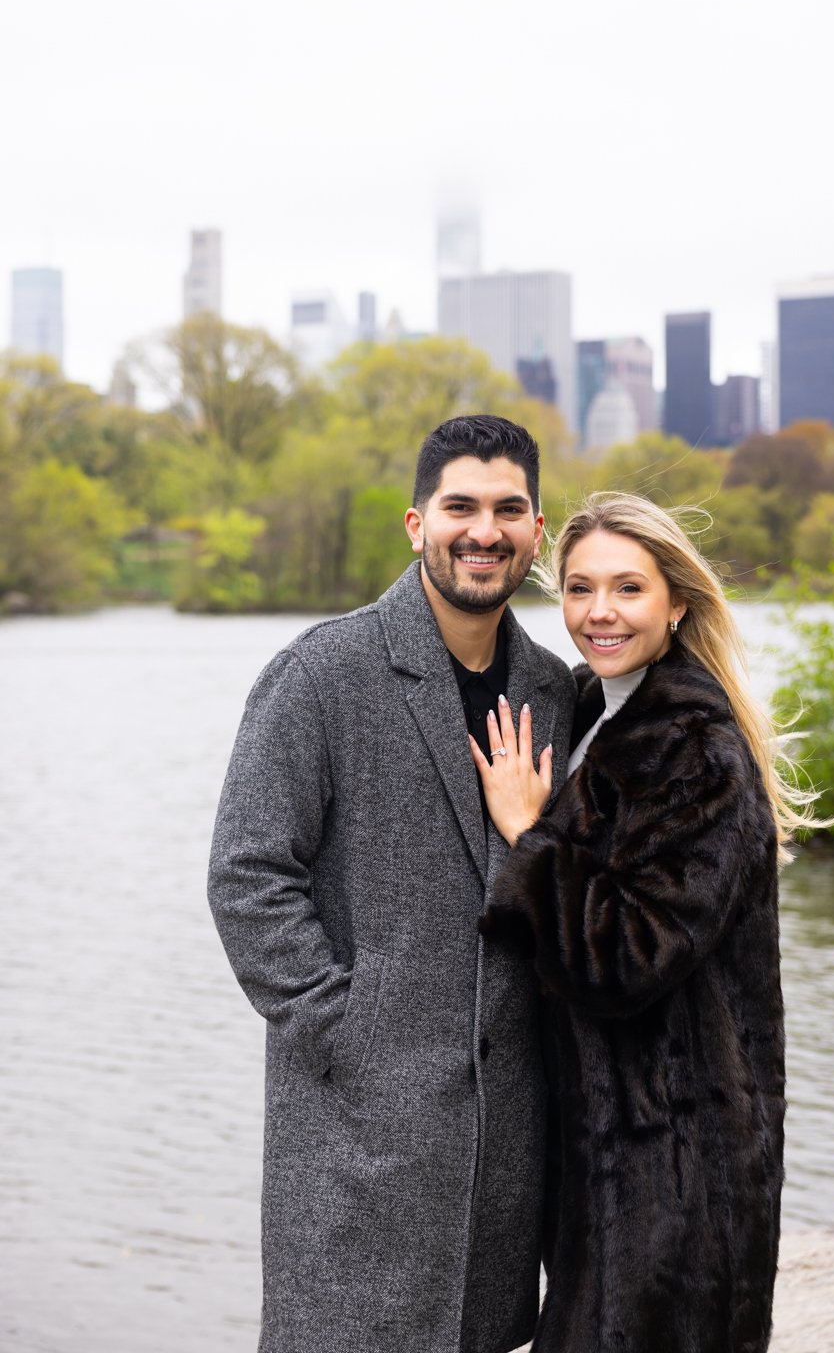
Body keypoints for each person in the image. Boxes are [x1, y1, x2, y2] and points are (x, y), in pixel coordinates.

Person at [207, 414, 576, 1353]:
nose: (482, 530)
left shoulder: (552, 690)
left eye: (508, 509)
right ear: (418, 524)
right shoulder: (322, 673)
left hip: (500, 1153)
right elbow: (247, 873)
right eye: (460, 506)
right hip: (354, 1137)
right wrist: (344, 1029)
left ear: (536, 532)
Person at [475, 492, 806, 1353]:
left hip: (676, 1158)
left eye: (627, 589)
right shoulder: (587, 708)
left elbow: (628, 955)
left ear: (676, 603)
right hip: (604, 1141)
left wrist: (528, 834)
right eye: (580, 589)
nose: (599, 613)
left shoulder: (695, 748)